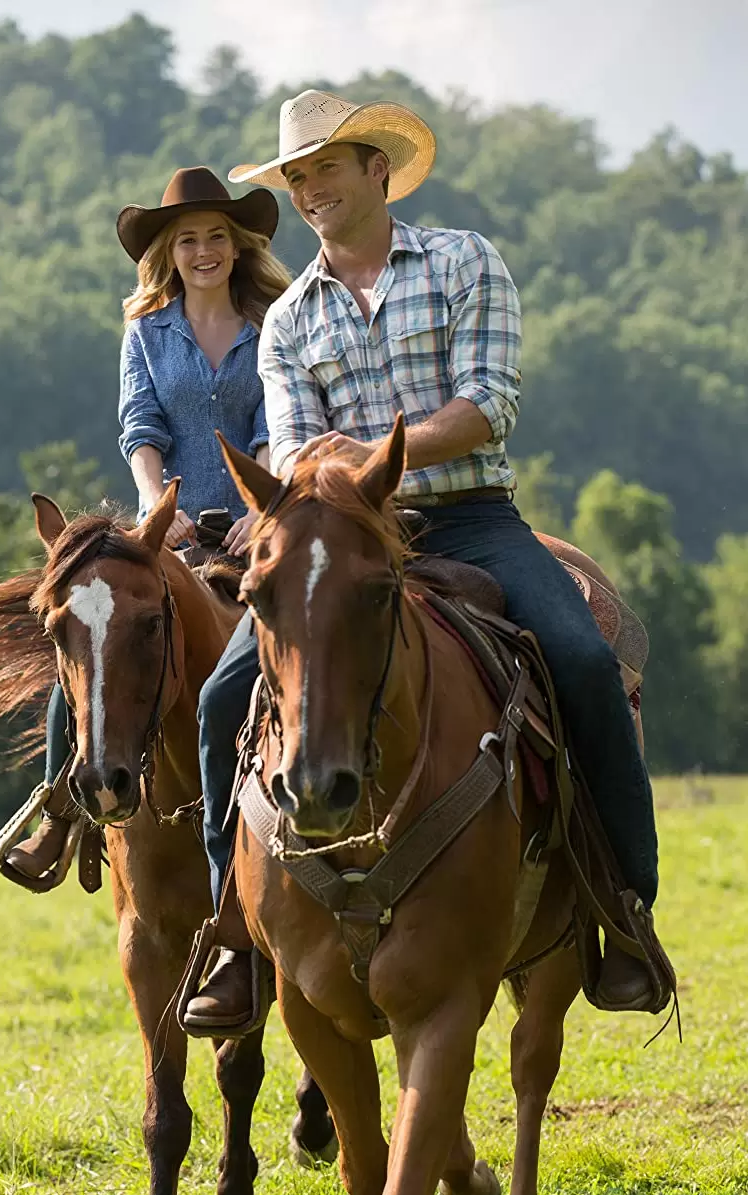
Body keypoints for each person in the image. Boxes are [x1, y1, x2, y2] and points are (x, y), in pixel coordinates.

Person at [182, 89, 660, 1031]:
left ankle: (624, 911)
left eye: (326, 168)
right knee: (220, 700)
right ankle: (233, 938)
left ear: (378, 170)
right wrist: (338, 479)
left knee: (582, 662)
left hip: (470, 520)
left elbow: (488, 404)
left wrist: (374, 454)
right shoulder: (290, 320)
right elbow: (292, 449)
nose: (310, 189)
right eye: (297, 176)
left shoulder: (463, 261)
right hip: (343, 538)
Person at [4, 168, 290, 882]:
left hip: (255, 524)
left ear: (238, 245)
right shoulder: (146, 332)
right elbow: (141, 426)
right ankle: (58, 815)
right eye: (188, 240)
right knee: (93, 648)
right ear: (168, 252)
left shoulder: (272, 325)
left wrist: (259, 510)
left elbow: (272, 425)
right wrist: (160, 502)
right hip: (169, 528)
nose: (204, 251)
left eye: (217, 237)